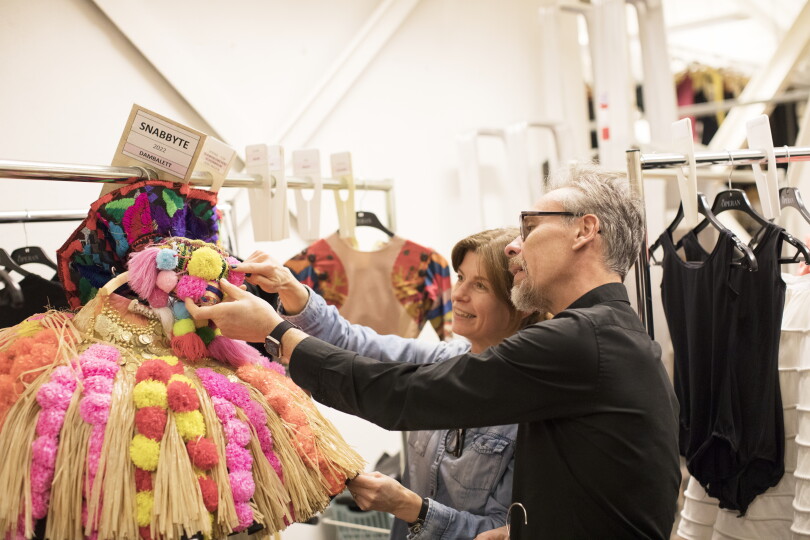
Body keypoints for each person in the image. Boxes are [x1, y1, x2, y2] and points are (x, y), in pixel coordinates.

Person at [187, 164, 681, 539]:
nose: (515, 247)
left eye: (530, 225)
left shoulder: (581, 341)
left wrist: (276, 335)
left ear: (583, 231)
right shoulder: (603, 336)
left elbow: (406, 395)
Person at [233, 228, 539, 539]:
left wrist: (410, 507)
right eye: (460, 277)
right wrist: (290, 288)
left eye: (481, 286)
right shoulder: (443, 360)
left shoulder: (533, 407)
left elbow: (508, 531)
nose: (459, 294)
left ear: (521, 300)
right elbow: (353, 343)